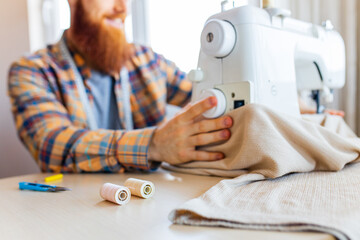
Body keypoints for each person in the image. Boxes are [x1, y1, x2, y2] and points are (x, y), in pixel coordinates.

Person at [7, 0, 233, 173]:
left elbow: (205, 99)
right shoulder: (33, 71)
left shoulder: (147, 60)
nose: (122, 8)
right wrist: (154, 144)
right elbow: (53, 146)